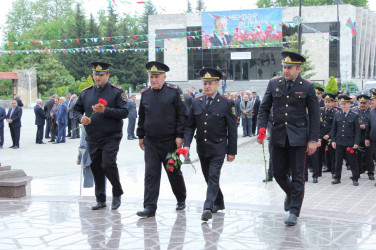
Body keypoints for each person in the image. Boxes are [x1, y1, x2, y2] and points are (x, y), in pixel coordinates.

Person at [257, 51, 320, 226]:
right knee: (278, 173)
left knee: (298, 175)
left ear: (298, 69)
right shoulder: (273, 83)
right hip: (277, 136)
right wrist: (261, 129)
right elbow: (264, 109)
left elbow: (315, 115)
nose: (286, 71)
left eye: (289, 68)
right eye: (284, 67)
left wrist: (313, 139)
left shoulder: (307, 86)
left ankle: (294, 211)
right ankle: (291, 194)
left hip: (299, 138)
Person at [184, 67, 237, 221]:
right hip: (202, 147)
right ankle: (219, 201)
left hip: (219, 147)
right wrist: (186, 145)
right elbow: (190, 126)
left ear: (217, 84)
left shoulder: (227, 103)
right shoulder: (196, 101)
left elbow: (232, 129)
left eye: (211, 83)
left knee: (213, 176)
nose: (207, 86)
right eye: (205, 83)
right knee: (208, 177)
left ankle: (208, 207)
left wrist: (231, 151)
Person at [74, 61, 128, 211]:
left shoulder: (117, 92)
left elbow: (124, 112)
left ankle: (117, 191)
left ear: (108, 75)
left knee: (108, 163)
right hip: (92, 136)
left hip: (111, 135)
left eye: (101, 75)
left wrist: (106, 110)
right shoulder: (86, 92)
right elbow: (75, 110)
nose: (97, 77)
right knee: (96, 167)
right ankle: (100, 198)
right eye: (95, 74)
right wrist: (80, 118)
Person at [136, 61, 187, 218]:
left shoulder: (174, 92)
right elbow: (142, 117)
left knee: (173, 171)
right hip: (151, 142)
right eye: (151, 77)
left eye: (157, 77)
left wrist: (180, 135)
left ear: (164, 77)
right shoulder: (145, 94)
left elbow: (182, 115)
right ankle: (149, 207)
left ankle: (181, 198)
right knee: (151, 174)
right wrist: (141, 135)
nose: (154, 80)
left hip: (170, 141)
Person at [330, 95, 360, 186]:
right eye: (342, 104)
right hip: (339, 142)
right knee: (338, 161)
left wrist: (356, 142)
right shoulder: (337, 114)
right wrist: (333, 140)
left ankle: (355, 178)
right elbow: (333, 129)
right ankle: (337, 178)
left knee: (352, 161)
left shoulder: (354, 115)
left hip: (350, 142)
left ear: (349, 104)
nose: (343, 106)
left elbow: (357, 131)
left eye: (345, 104)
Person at [352, 94, 374, 179]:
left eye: (364, 103)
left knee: (369, 155)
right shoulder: (354, 111)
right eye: (361, 103)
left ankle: (370, 172)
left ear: (368, 103)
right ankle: (358, 171)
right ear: (358, 102)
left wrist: (365, 126)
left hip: (368, 136)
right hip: (357, 136)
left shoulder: (372, 111)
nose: (362, 105)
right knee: (357, 155)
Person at [77, 125, 94, 189]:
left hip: (89, 159)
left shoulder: (85, 129)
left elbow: (82, 146)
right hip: (101, 157)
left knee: (89, 181)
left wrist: (79, 159)